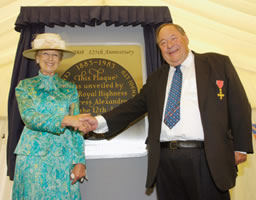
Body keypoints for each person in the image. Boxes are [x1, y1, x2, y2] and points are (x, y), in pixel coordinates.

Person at [81, 23, 253, 200]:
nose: (169, 45)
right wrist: (99, 121)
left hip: (206, 157)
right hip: (165, 160)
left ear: (185, 38)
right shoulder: (157, 78)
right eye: (163, 43)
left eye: (173, 38)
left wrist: (241, 146)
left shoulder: (217, 64)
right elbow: (132, 107)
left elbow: (239, 105)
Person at [12, 33, 87, 200]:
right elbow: (29, 117)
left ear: (60, 59)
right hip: (33, 159)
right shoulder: (25, 86)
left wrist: (80, 162)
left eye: (55, 54)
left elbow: (77, 129)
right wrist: (65, 119)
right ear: (37, 58)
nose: (50, 58)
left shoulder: (70, 88)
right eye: (45, 53)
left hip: (63, 158)